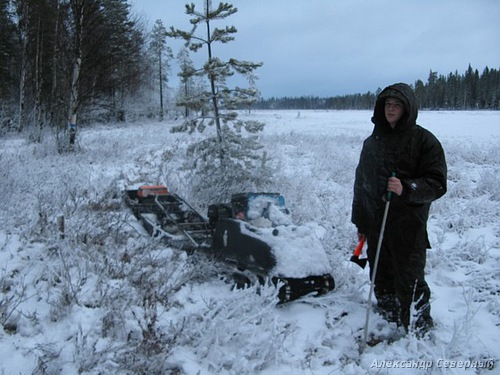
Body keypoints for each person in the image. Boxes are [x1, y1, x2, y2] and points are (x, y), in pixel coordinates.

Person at [351, 82, 447, 335]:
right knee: (380, 275)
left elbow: (437, 183)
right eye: (387, 105)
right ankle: (387, 316)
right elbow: (361, 184)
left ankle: (418, 327)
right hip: (376, 224)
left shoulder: (424, 141)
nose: (390, 109)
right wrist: (361, 224)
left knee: (410, 279)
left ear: (407, 109)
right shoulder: (372, 143)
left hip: (408, 225)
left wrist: (407, 188)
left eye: (396, 105)